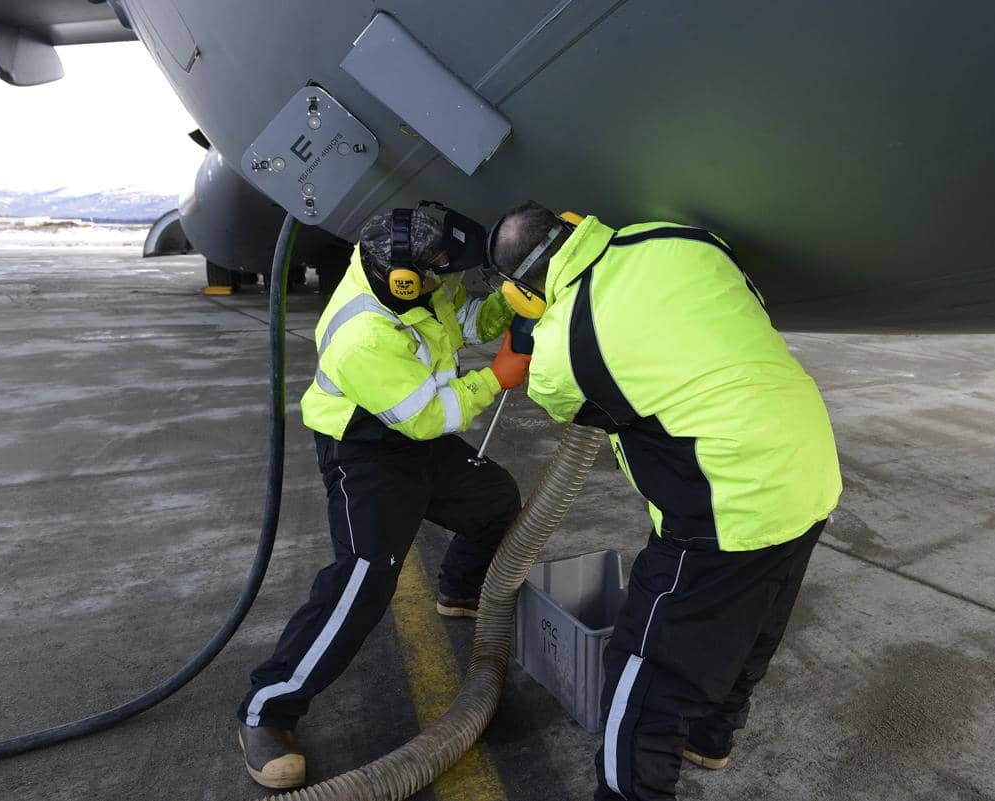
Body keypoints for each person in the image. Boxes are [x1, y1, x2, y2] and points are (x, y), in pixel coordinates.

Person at [487, 202, 842, 800]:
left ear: (522, 292)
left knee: (645, 674)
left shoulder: (563, 347)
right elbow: (739, 304)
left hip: (727, 500)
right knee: (754, 619)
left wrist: (536, 324)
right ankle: (710, 737)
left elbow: (560, 398)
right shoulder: (678, 237)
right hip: (806, 464)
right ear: (571, 222)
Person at [237, 207, 531, 789]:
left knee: (495, 501)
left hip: (413, 436)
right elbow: (429, 415)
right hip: (367, 451)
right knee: (365, 577)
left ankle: (460, 590)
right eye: (438, 272)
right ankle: (267, 709)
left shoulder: (410, 279)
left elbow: (463, 320)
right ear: (403, 280)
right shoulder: (363, 334)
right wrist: (497, 376)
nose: (446, 280)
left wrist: (512, 302)